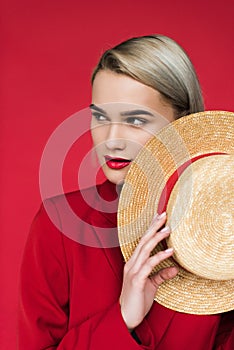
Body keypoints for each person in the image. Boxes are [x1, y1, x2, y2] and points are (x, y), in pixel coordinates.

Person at [18, 34, 233, 349]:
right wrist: (122, 319)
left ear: (183, 123)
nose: (112, 139)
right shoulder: (59, 226)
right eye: (100, 117)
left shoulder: (225, 232)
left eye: (135, 120)